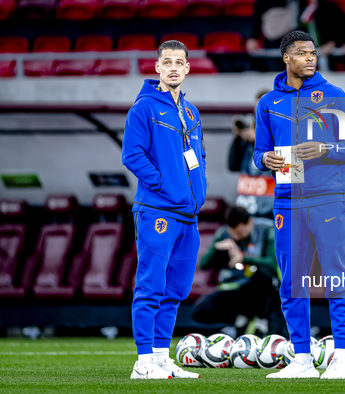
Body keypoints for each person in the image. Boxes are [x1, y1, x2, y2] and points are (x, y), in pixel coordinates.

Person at [253, 30, 345, 379]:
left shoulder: (335, 96)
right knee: (292, 282)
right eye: (302, 53)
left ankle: (341, 358)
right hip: (286, 201)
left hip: (327, 200)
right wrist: (264, 160)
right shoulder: (268, 103)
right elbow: (258, 151)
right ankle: (301, 359)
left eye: (313, 53)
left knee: (336, 277)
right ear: (287, 58)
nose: (311, 58)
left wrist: (325, 150)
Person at [122, 40, 206, 379]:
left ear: (187, 68)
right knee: (151, 286)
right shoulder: (143, 108)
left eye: (179, 62)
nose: (173, 67)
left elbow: (197, 159)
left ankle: (160, 357)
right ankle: (143, 362)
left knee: (175, 291)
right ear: (157, 67)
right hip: (157, 210)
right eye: (166, 61)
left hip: (188, 215)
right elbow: (132, 155)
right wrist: (163, 184)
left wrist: (196, 193)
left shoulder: (190, 111)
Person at [191, 206, 284, 337]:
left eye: (240, 232)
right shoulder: (223, 233)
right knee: (199, 311)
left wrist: (243, 257)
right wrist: (216, 248)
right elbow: (204, 264)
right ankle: (238, 321)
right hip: (235, 287)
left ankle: (259, 321)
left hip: (261, 288)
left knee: (262, 276)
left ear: (249, 223)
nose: (236, 236)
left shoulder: (267, 228)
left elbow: (273, 263)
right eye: (233, 232)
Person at [228, 89, 275, 219]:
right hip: (247, 207)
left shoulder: (280, 132)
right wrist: (238, 137)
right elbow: (233, 166)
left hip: (270, 209)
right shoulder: (249, 140)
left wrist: (259, 138)